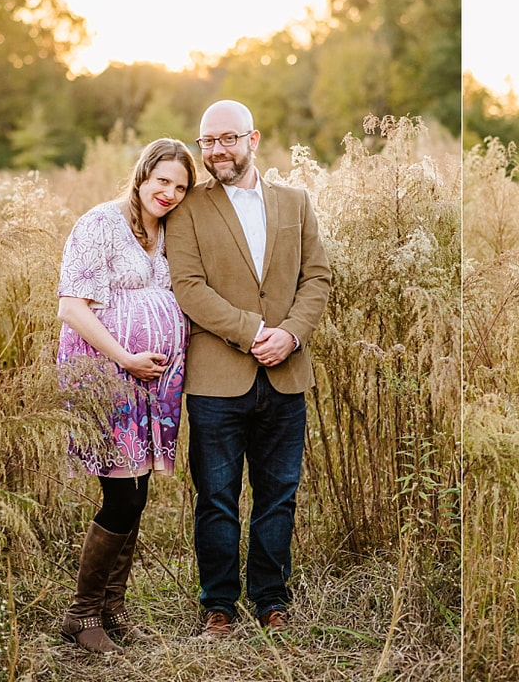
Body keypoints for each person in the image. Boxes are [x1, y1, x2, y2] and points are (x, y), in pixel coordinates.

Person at [165, 99, 331, 639]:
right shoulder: (187, 207)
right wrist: (256, 332)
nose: (215, 151)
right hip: (217, 379)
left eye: (226, 139)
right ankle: (218, 604)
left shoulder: (296, 201)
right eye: (206, 141)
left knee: (279, 493)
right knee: (215, 497)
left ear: (252, 139)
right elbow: (187, 287)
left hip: (287, 374)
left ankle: (270, 598)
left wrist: (290, 334)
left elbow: (318, 279)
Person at [57, 138, 198, 653]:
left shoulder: (168, 230)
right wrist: (125, 357)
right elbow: (73, 308)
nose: (170, 193)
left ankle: (112, 608)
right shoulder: (101, 223)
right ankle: (82, 614)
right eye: (162, 181)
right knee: (121, 494)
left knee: (135, 494)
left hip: (149, 384)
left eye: (181, 186)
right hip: (106, 374)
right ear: (141, 176)